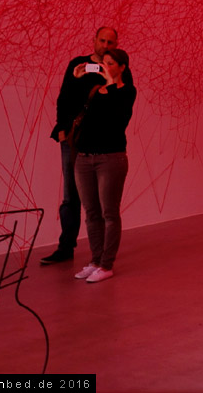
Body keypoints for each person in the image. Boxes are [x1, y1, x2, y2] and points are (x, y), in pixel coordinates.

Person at [42, 26, 132, 266]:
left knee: (104, 206)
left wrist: (109, 75)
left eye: (110, 42)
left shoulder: (120, 70)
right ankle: (66, 246)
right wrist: (62, 129)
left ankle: (103, 259)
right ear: (94, 41)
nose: (105, 45)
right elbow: (64, 98)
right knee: (71, 196)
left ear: (116, 45)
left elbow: (122, 105)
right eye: (102, 40)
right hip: (74, 138)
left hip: (104, 146)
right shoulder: (79, 65)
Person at [71, 48, 136, 283]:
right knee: (91, 213)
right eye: (103, 63)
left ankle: (106, 265)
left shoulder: (126, 92)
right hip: (84, 157)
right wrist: (78, 80)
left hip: (111, 158)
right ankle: (95, 260)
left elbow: (117, 120)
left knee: (109, 213)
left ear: (122, 68)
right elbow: (77, 110)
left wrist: (109, 84)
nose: (105, 67)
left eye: (110, 64)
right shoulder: (95, 91)